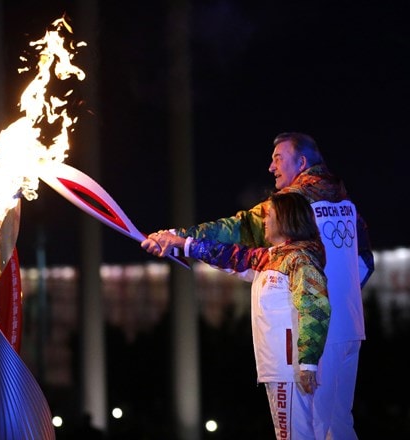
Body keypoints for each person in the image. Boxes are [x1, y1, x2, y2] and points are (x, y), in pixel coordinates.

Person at [143, 132, 374, 439]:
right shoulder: (347, 204)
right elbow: (366, 263)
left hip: (314, 334)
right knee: (339, 427)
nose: (271, 166)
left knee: (307, 429)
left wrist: (177, 236)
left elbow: (236, 230)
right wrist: (338, 297)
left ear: (302, 162)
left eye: (278, 158)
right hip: (349, 330)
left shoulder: (293, 204)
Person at [145, 192, 330, 439]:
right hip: (279, 369)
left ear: (286, 220)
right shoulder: (270, 257)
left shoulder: (300, 259)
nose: (264, 222)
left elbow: (315, 307)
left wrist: (307, 363)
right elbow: (228, 255)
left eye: (270, 216)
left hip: (291, 369)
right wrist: (180, 243)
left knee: (295, 435)